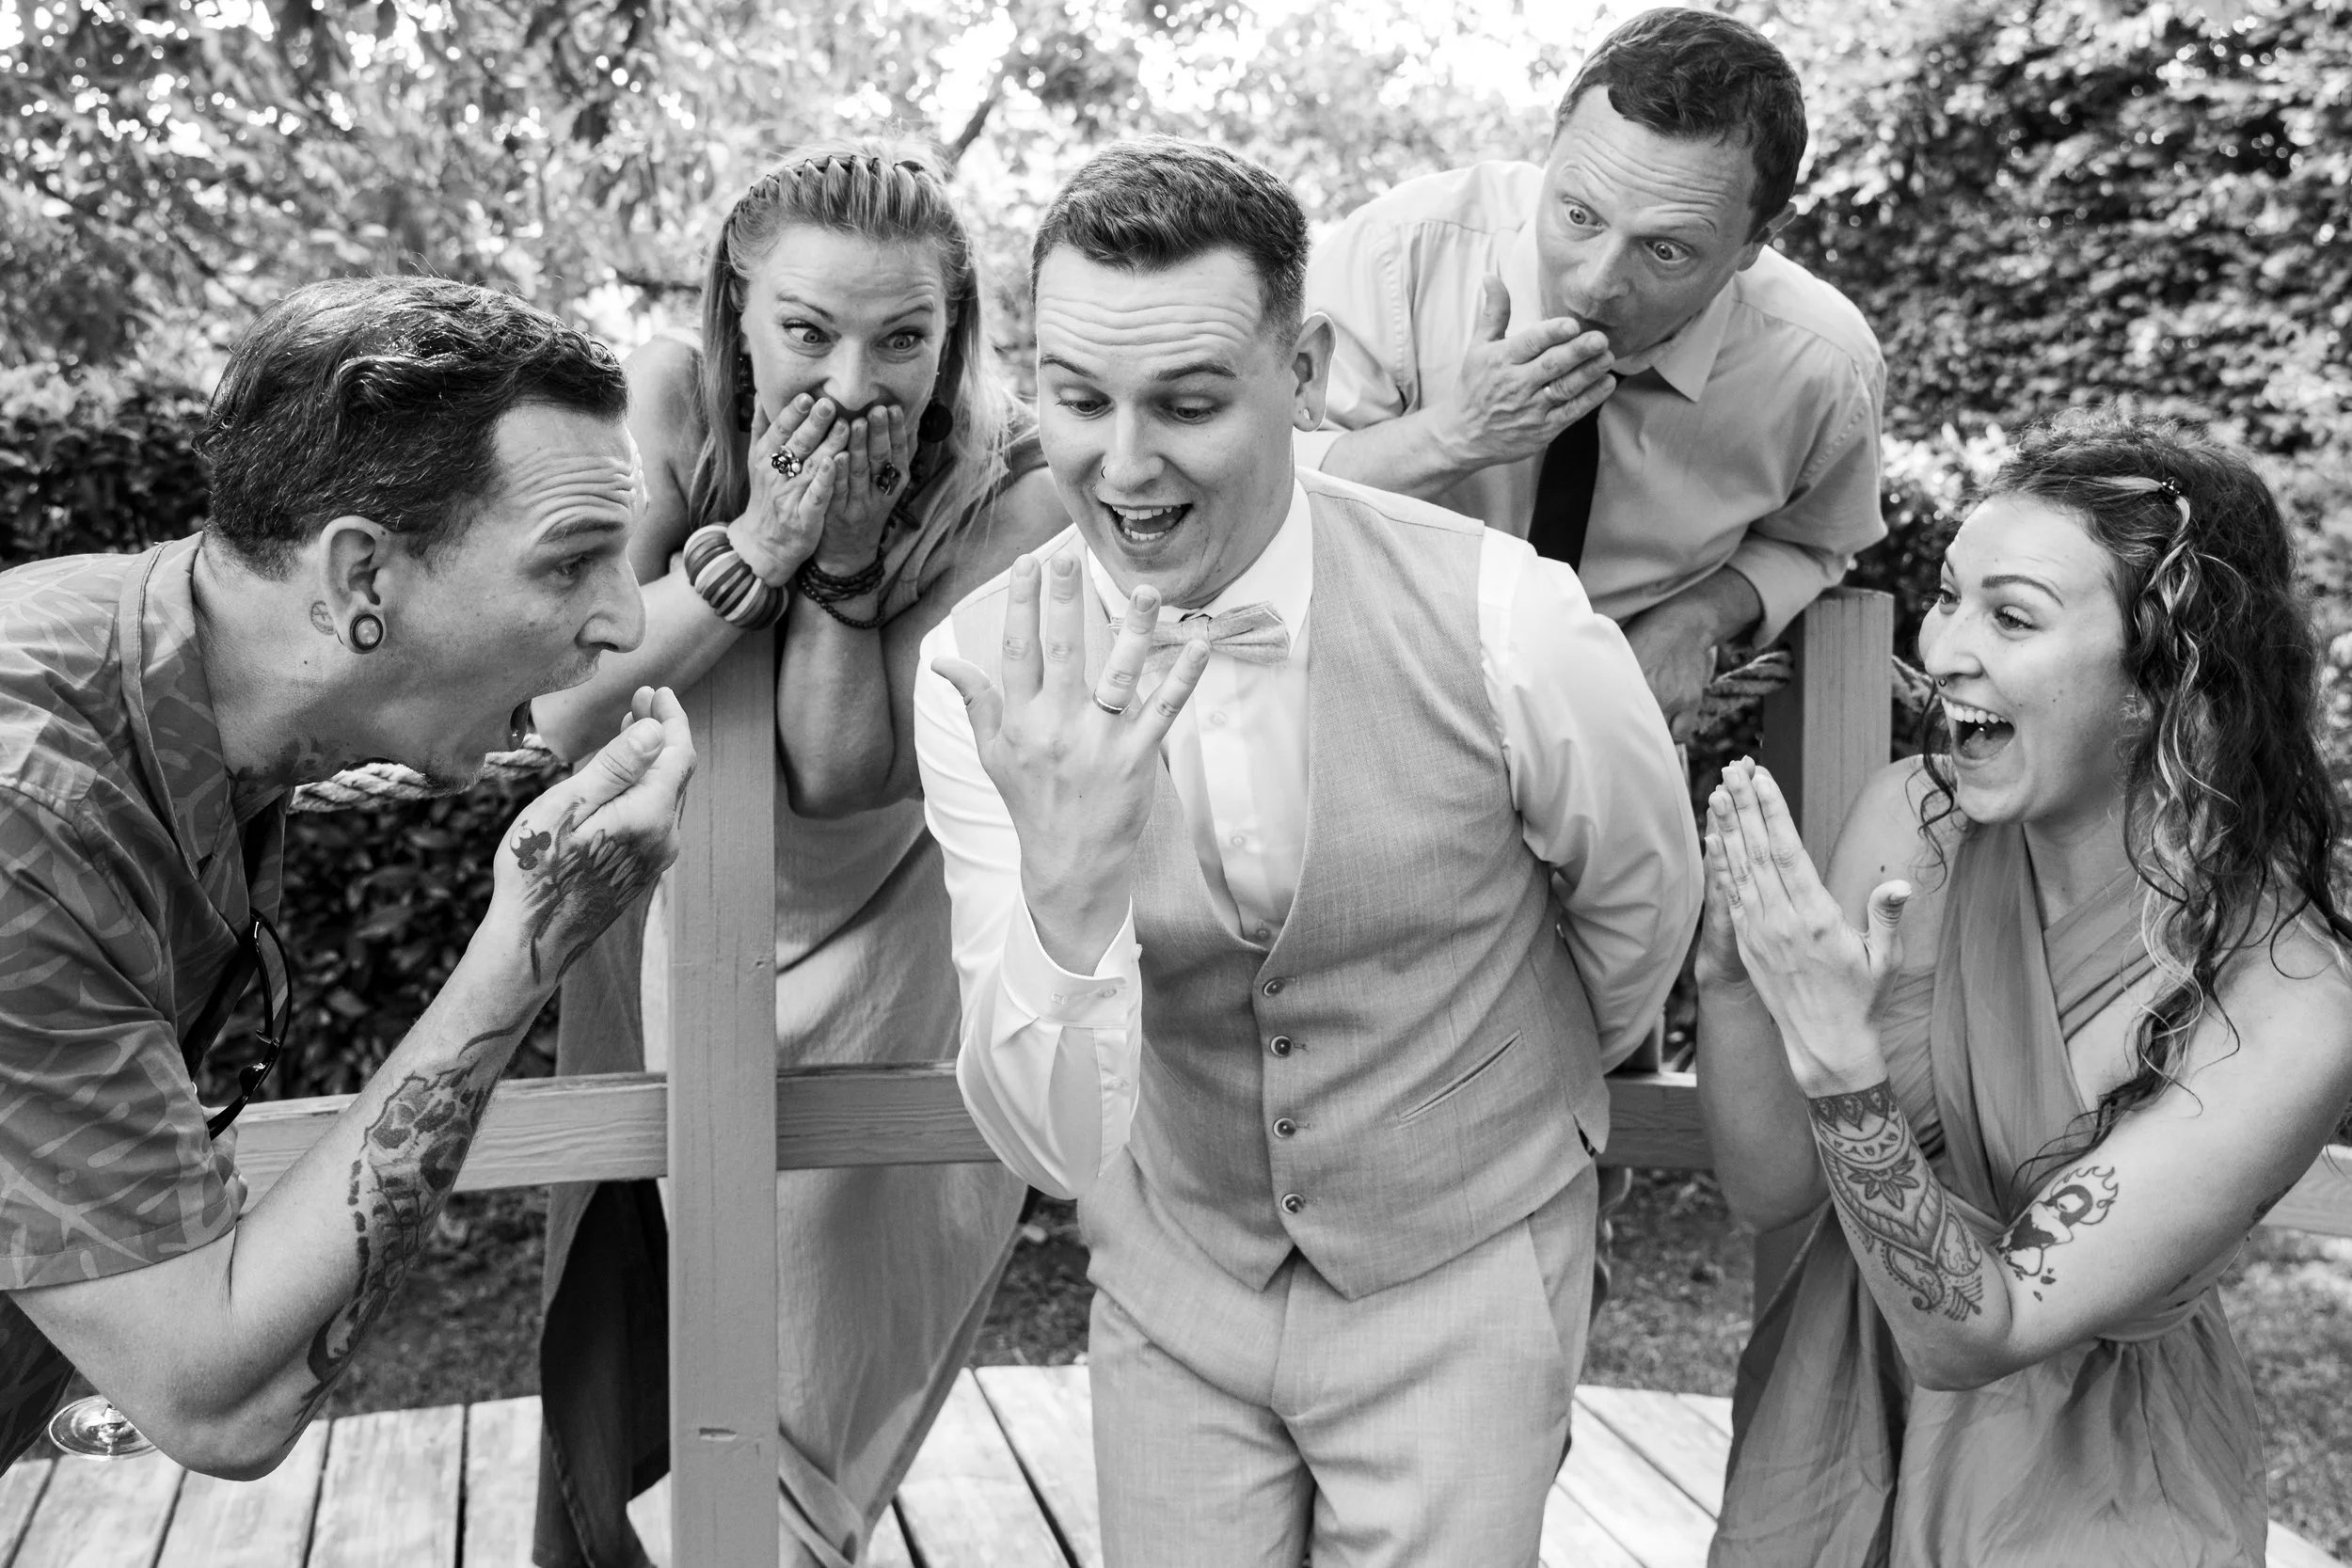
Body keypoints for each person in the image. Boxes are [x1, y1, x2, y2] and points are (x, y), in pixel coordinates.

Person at [914, 136, 1701, 1567]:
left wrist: (1489, 1087)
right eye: (1080, 399)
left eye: (1190, 401)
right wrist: (1073, 890)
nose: (1125, 462)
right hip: (1175, 1281)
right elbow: (1049, 1137)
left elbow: (1642, 909)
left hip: (1465, 1270)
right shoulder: (979, 671)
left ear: (1304, 369)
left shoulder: (1507, 616)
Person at [0, 276, 694, 1477]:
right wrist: (524, 946)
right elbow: (219, 1393)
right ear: (362, 576)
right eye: (573, 560)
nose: (626, 622)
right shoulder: (28, 820)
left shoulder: (159, 666)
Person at [527, 140, 1069, 1568]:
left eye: (902, 338)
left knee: (830, 1334)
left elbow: (841, 773)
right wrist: (765, 537)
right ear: (735, 307)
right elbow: (569, 704)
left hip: (895, 929)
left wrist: (843, 563)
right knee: (651, 1314)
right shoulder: (660, 398)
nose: (851, 380)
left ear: (955, 330)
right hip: (681, 913)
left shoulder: (1016, 482)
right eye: (806, 331)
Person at [1695, 415, 2352, 1564]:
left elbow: (1980, 1332)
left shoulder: (2287, 999)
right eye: (1948, 597)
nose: (1944, 647)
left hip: (2087, 1491)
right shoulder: (1911, 819)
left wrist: (1843, 1062)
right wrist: (1738, 987)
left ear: (2158, 680)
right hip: (1836, 1432)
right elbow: (1770, 1190)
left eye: (2008, 616)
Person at [1300, 7, 1885, 729]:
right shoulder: (1400, 254)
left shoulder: (1823, 367)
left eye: (1665, 250)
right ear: (1552, 147)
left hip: (1618, 740)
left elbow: (1814, 542)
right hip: (1363, 712)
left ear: (1758, 241)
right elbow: (1258, 488)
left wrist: (1698, 617)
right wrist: (1455, 436)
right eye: (1579, 214)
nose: (1594, 285)